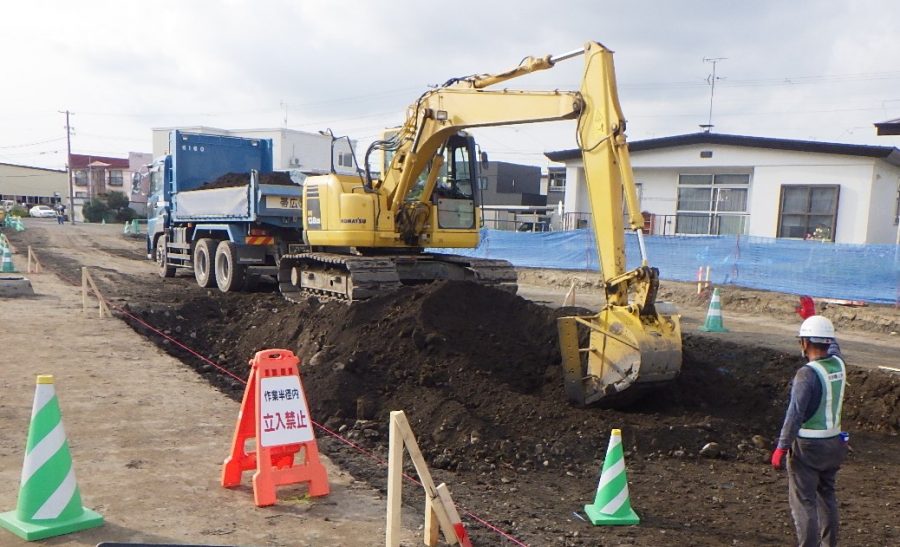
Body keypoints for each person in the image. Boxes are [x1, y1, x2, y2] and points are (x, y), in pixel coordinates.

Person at [772, 315, 849, 547]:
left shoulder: (807, 374)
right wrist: (812, 317)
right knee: (827, 497)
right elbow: (833, 345)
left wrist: (781, 447)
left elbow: (794, 415)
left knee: (804, 503)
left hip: (807, 449)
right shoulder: (838, 363)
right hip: (835, 444)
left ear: (804, 343)